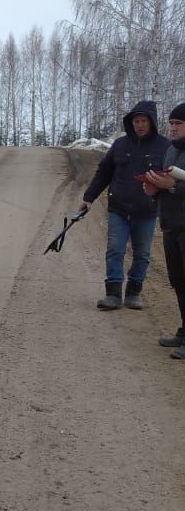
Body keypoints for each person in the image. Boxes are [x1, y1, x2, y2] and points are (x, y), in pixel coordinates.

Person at [80, 100, 167, 310]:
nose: (139, 125)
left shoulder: (164, 147)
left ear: (152, 122)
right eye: (136, 121)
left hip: (146, 211)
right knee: (114, 250)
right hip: (119, 209)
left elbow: (171, 179)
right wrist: (89, 197)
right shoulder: (120, 145)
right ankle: (113, 294)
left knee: (143, 254)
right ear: (131, 123)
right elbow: (104, 172)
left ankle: (133, 293)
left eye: (143, 121)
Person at [143, 102, 185, 359]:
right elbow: (166, 183)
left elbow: (175, 186)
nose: (172, 128)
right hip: (170, 226)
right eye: (171, 124)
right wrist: (153, 189)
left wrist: (171, 187)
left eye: (178, 124)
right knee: (179, 282)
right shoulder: (170, 151)